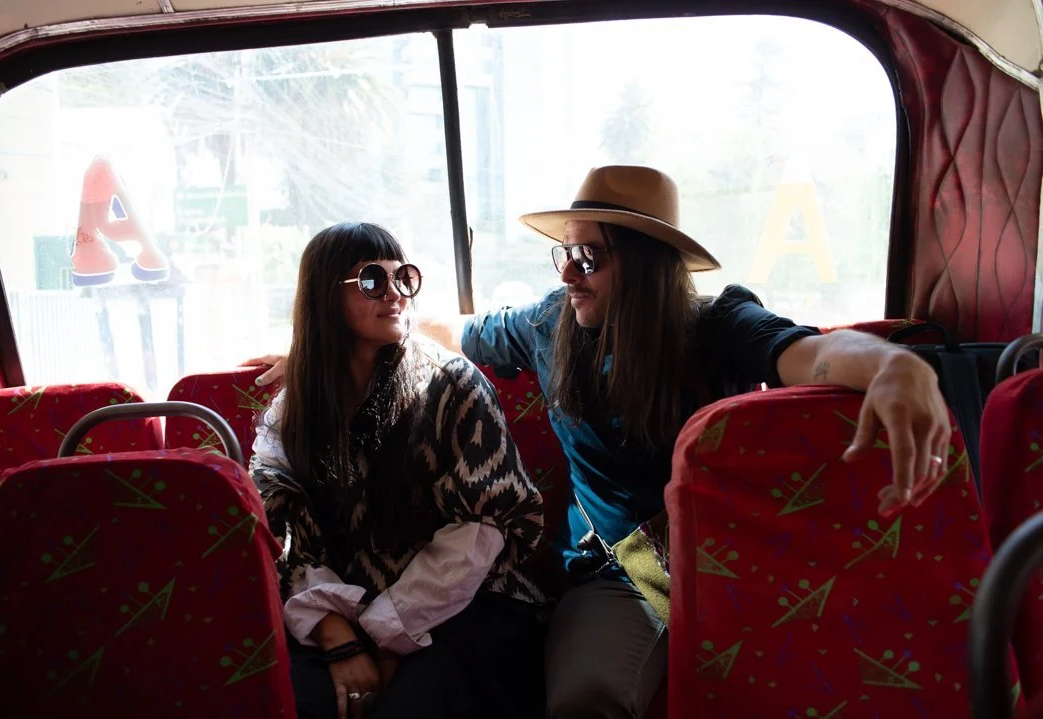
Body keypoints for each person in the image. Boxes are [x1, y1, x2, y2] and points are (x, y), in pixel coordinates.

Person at [247, 166, 952, 719]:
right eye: (565, 253)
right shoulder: (550, 323)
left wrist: (893, 366)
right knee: (585, 701)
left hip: (733, 563)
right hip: (617, 572)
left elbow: (810, 354)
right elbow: (449, 329)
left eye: (588, 257)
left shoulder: (714, 326)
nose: (567, 272)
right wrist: (322, 345)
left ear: (645, 265)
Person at [248, 222, 546, 719]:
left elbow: (482, 532)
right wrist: (338, 638)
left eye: (403, 277)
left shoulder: (453, 385)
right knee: (307, 704)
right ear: (325, 297)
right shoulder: (293, 412)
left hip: (468, 605)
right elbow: (283, 538)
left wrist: (385, 636)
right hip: (344, 610)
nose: (396, 294)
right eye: (372, 280)